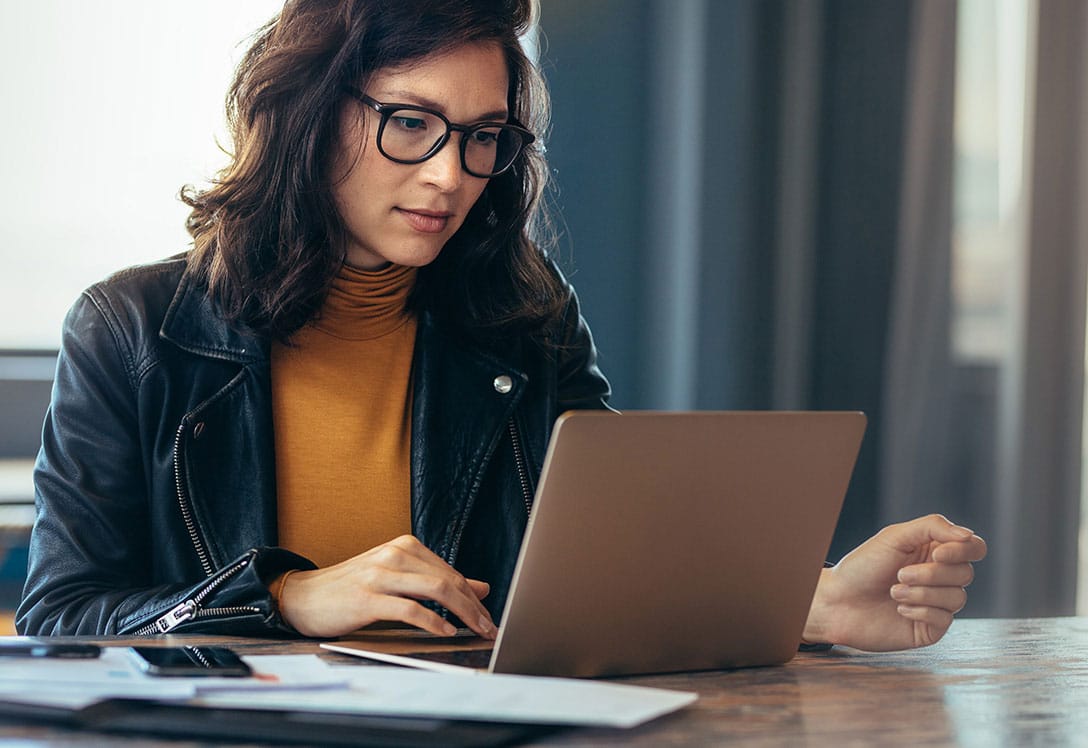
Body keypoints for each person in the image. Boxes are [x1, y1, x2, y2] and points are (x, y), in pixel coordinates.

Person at [16, 0, 986, 652]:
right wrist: (281, 599)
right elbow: (61, 618)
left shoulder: (522, 314)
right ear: (308, 110)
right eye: (410, 123)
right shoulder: (133, 330)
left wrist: (809, 599)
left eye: (482, 136)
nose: (448, 174)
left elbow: (612, 563)